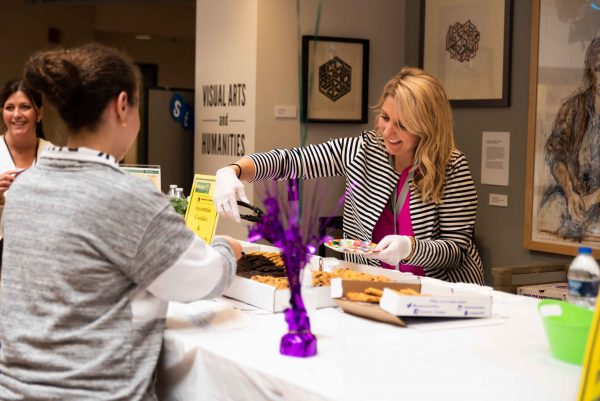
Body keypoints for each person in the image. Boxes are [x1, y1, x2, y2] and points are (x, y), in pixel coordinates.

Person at [0, 43, 241, 400]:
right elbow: (201, 280)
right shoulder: (128, 197)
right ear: (123, 106)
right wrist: (228, 249)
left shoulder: (25, 189)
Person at [214, 67, 484, 285]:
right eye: (385, 118)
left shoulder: (452, 167)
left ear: (427, 126)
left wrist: (411, 248)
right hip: (376, 285)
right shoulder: (362, 150)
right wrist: (234, 170)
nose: (388, 132)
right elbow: (292, 161)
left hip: (438, 293)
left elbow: (455, 252)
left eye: (402, 125)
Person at [542, 36, 600, 242]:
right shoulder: (574, 108)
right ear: (590, 72)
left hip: (595, 205)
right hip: (572, 198)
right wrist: (569, 192)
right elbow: (554, 152)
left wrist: (593, 198)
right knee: (548, 216)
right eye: (598, 68)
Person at [0, 79, 53, 238]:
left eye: (25, 107)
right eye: (10, 108)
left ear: (39, 113)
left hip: (42, 247)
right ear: (2, 112)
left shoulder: (54, 155)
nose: (17, 114)